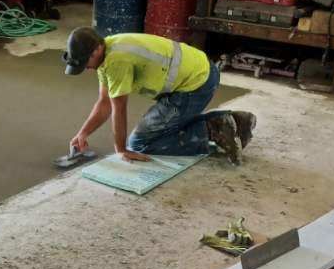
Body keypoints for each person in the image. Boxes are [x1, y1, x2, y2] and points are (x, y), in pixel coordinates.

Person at [63, 27, 255, 165]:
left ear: (97, 49)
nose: (86, 69)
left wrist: (121, 150)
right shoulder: (107, 51)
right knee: (161, 128)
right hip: (199, 73)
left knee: (140, 143)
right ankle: (234, 121)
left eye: (85, 62)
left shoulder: (116, 61)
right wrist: (83, 133)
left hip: (196, 85)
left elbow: (118, 108)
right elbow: (104, 102)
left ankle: (214, 129)